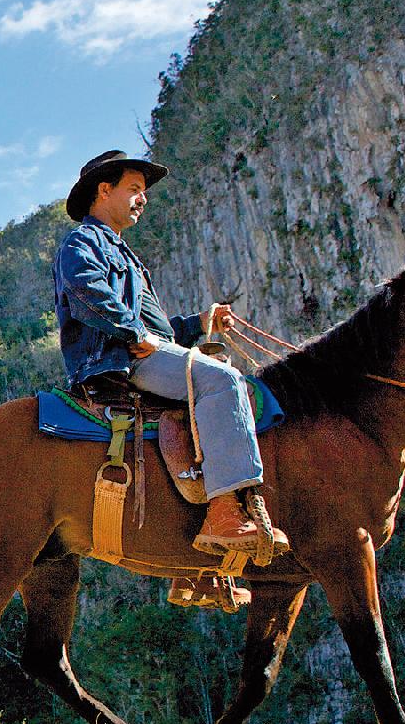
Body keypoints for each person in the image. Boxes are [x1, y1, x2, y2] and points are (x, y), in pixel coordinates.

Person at [53, 150, 288, 558]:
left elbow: (157, 332)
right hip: (120, 360)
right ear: (104, 190)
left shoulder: (124, 255)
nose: (143, 198)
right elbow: (86, 293)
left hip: (143, 350)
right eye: (134, 189)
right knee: (222, 380)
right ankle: (223, 512)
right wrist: (134, 332)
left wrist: (199, 323)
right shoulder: (82, 242)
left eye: (144, 191)